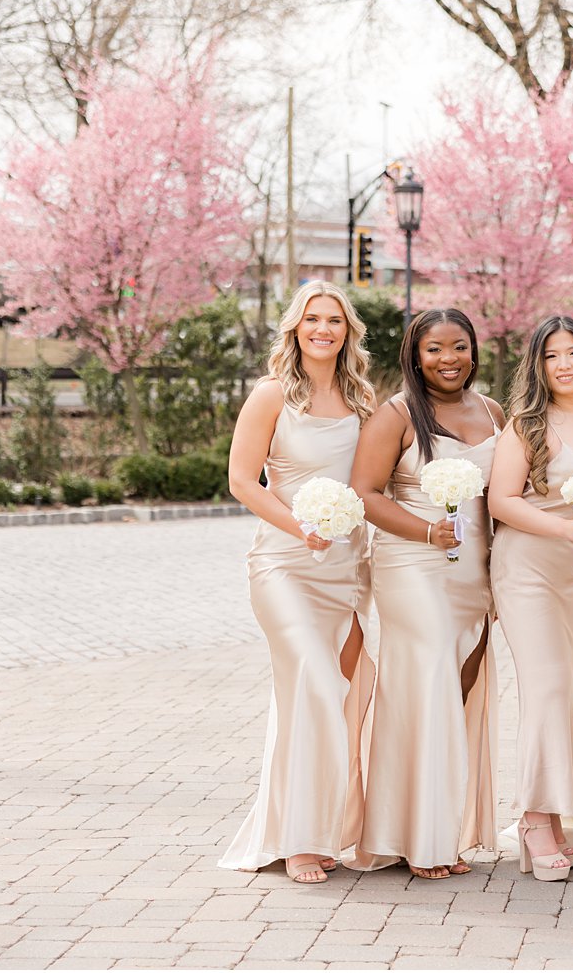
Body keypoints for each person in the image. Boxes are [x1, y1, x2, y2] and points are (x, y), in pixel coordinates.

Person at [219, 281, 378, 884]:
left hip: (348, 571)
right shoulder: (270, 396)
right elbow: (242, 480)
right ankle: (300, 841)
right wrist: (301, 526)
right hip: (285, 565)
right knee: (314, 681)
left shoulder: (363, 398)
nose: (323, 329)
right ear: (295, 327)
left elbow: (373, 482)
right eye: (313, 318)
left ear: (347, 331)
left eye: (334, 320)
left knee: (340, 699)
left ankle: (329, 828)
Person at [348, 308, 503, 880]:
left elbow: (503, 495)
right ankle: (421, 841)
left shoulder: (492, 411)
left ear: (473, 349)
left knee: (453, 692)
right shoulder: (396, 414)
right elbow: (363, 492)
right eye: (434, 349)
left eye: (458, 346)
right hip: (414, 564)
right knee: (427, 685)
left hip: (474, 572)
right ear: (415, 354)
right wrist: (425, 530)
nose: (448, 359)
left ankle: (430, 827)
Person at [488, 317, 573, 881]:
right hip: (530, 568)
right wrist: (561, 530)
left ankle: (557, 814)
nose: (564, 365)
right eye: (551, 356)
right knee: (547, 688)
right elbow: (501, 501)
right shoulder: (526, 424)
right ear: (537, 366)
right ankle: (534, 819)